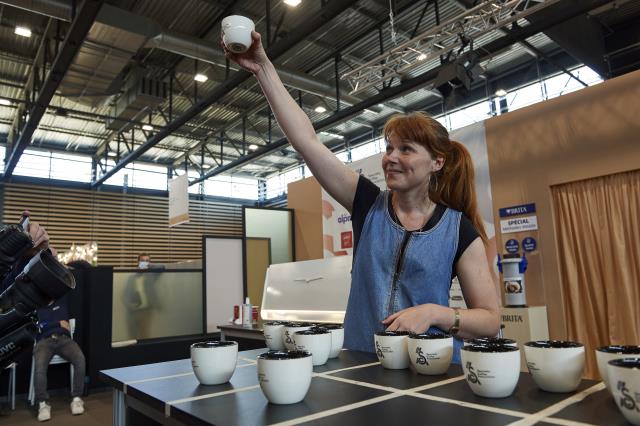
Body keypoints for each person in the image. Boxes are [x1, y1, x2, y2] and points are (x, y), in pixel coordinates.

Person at [223, 32, 500, 362]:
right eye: (389, 148)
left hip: (430, 374)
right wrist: (263, 68)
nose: (391, 158)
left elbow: (489, 319)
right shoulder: (368, 204)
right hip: (363, 366)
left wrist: (436, 314)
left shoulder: (460, 230)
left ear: (436, 162)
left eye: (406, 149)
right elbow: (306, 141)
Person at [33, 293, 86, 421]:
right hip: (44, 342)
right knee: (40, 368)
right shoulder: (37, 306)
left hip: (64, 340)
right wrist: (58, 323)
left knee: (80, 360)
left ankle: (77, 399)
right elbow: (39, 327)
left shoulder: (62, 300)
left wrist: (48, 325)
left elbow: (45, 325)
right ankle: (43, 404)